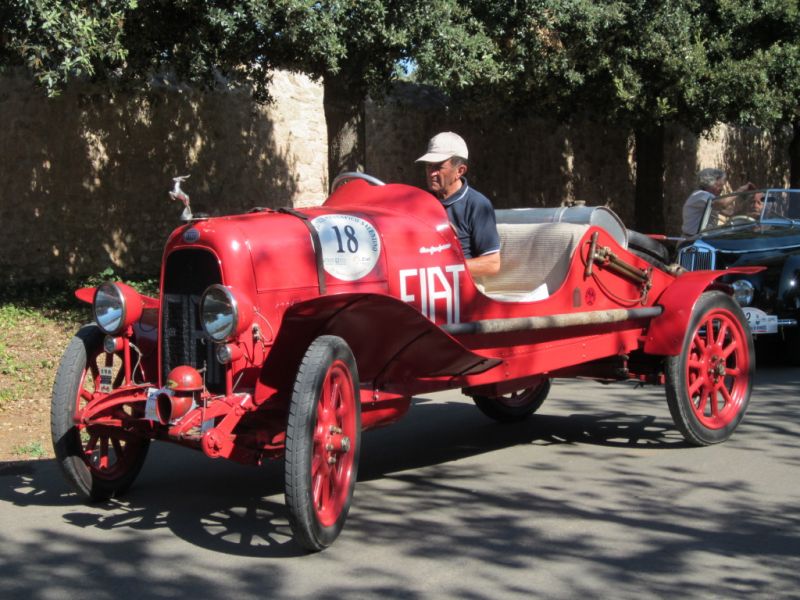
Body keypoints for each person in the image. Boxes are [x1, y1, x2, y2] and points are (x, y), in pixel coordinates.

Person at [416, 132, 501, 277]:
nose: (431, 173)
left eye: (438, 167)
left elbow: (492, 264)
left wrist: (444, 268)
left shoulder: (478, 205)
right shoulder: (419, 201)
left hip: (464, 288)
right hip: (421, 283)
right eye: (429, 166)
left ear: (460, 171)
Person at [681, 168, 755, 235]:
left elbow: (730, 212)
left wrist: (748, 199)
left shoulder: (710, 199)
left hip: (703, 239)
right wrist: (741, 190)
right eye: (720, 185)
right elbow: (723, 204)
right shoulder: (700, 195)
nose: (721, 189)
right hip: (692, 241)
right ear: (711, 182)